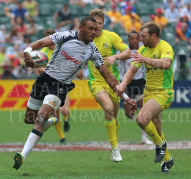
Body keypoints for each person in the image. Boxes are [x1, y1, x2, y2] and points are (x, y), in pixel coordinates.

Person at [12, 16, 135, 170]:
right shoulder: (66, 36)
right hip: (45, 80)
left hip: (61, 86)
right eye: (91, 28)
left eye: (96, 29)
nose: (94, 32)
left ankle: (22, 156)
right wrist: (27, 53)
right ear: (81, 27)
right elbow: (39, 43)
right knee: (30, 120)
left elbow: (108, 76)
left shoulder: (93, 50)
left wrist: (126, 97)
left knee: (42, 116)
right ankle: (51, 122)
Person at [116, 22, 175, 172]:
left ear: (153, 36)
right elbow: (132, 70)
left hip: (164, 92)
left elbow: (166, 64)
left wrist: (145, 60)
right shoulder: (143, 49)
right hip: (149, 92)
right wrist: (122, 85)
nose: (140, 39)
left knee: (141, 119)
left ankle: (160, 145)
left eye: (143, 36)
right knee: (157, 130)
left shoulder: (165, 47)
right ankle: (167, 160)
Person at [89, 9, 131, 162]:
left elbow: (128, 52)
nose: (97, 26)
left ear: (104, 23)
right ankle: (115, 149)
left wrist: (115, 56)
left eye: (100, 23)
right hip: (96, 81)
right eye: (95, 23)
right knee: (108, 109)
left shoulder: (111, 36)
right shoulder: (86, 39)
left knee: (114, 117)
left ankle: (115, 145)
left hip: (114, 82)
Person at [35, 28, 70, 145]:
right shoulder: (43, 52)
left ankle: (67, 120)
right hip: (49, 85)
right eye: (48, 37)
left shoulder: (62, 49)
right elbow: (38, 68)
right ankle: (62, 137)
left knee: (65, 111)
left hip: (63, 84)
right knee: (55, 113)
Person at [118, 31, 153, 144]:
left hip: (140, 83)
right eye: (131, 38)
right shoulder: (124, 51)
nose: (134, 40)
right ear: (128, 40)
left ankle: (144, 138)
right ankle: (130, 113)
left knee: (144, 110)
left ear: (139, 39)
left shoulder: (143, 50)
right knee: (129, 113)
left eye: (136, 38)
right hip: (127, 83)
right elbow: (119, 64)